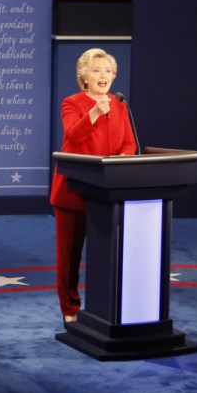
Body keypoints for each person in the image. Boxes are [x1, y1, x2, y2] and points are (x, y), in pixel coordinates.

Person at [50, 48, 137, 325]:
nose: (104, 76)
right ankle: (70, 309)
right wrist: (94, 114)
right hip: (74, 191)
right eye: (97, 70)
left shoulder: (120, 104)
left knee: (106, 254)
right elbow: (72, 137)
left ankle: (105, 306)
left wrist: (123, 159)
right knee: (69, 257)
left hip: (108, 192)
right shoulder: (72, 103)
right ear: (84, 76)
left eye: (108, 71)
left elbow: (129, 143)